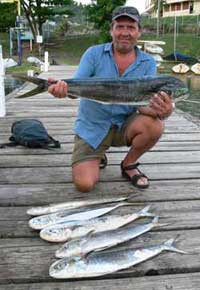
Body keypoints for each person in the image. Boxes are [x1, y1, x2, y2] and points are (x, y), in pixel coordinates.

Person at [48, 6, 174, 192]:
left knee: (155, 124)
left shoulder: (147, 62)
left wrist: (164, 111)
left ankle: (129, 164)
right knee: (84, 185)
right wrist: (62, 89)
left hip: (124, 126)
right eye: (119, 26)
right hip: (93, 127)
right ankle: (98, 155)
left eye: (130, 27)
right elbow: (76, 87)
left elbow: (143, 107)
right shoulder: (93, 53)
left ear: (139, 31)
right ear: (111, 30)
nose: (125, 32)